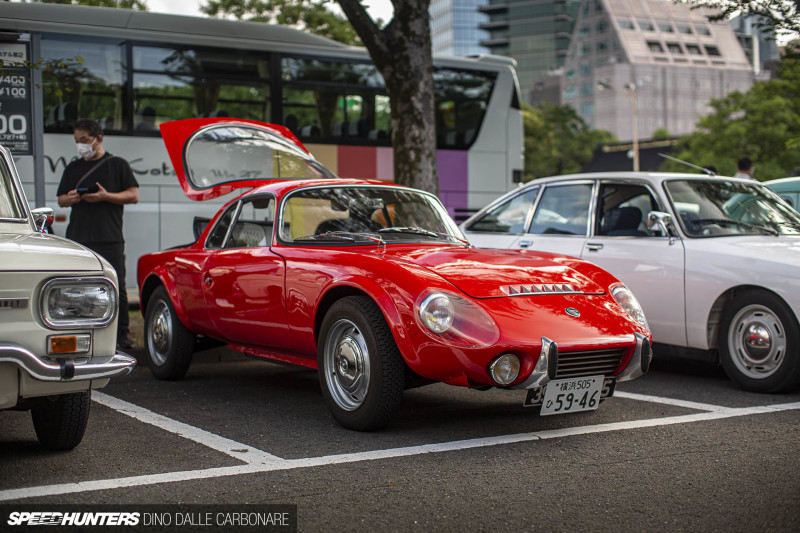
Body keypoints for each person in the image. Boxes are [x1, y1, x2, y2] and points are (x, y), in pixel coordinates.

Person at [57, 118, 139, 350]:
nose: (80, 145)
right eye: (77, 141)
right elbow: (61, 199)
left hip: (109, 237)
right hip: (79, 237)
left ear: (98, 138)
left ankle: (122, 336)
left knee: (116, 287)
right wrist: (70, 198)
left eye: (84, 140)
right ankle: (79, 331)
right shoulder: (73, 167)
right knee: (75, 286)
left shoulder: (118, 164)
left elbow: (133, 195)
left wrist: (106, 196)